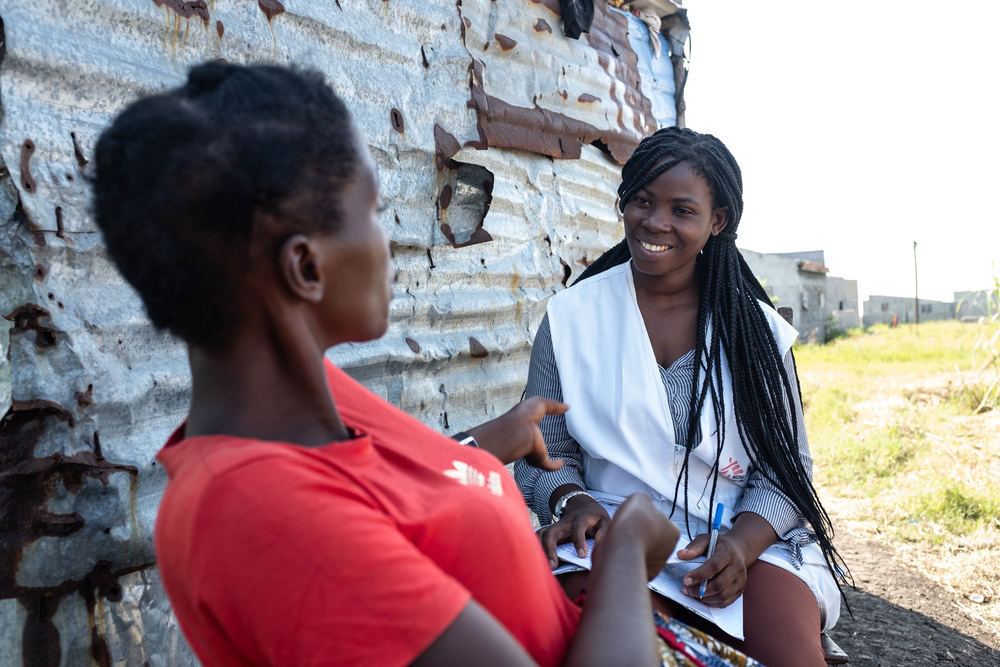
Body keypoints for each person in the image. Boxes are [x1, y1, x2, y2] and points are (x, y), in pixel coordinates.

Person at [92, 63, 763, 667]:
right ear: (306, 266)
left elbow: (377, 494)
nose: (388, 240)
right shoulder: (258, 515)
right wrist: (625, 548)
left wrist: (487, 443)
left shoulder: (305, 399)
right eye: (373, 211)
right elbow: (332, 521)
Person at [514, 126, 848, 667]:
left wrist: (741, 545)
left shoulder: (754, 334)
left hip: (740, 542)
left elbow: (788, 472)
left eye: (682, 210)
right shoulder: (573, 319)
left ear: (717, 222)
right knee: (605, 642)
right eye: (642, 201)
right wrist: (572, 501)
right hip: (612, 530)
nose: (655, 222)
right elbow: (543, 448)